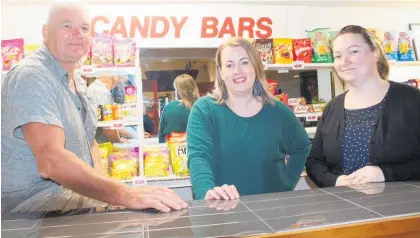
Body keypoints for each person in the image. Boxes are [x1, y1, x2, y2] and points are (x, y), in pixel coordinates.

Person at [1, 2, 187, 214]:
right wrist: (125, 194)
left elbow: (90, 145)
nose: (77, 34)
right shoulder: (32, 75)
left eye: (84, 28)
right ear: (45, 32)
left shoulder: (77, 82)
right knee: (137, 215)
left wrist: (110, 194)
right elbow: (51, 161)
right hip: (31, 212)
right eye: (67, 25)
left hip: (66, 199)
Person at [186, 37, 311, 200]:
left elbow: (302, 146)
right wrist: (207, 194)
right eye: (229, 65)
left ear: (256, 67)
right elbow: (199, 157)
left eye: (244, 62)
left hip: (271, 212)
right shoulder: (204, 110)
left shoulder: (278, 111)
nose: (237, 70)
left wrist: (286, 184)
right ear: (221, 73)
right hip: (221, 211)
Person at [305, 25, 420, 188]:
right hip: (345, 209)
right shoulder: (332, 108)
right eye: (337, 56)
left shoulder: (412, 100)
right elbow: (314, 162)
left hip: (404, 210)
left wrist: (385, 173)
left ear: (375, 53)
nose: (344, 61)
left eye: (354, 51)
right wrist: (335, 180)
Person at [86, 76, 137, 143]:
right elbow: (108, 130)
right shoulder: (100, 92)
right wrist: (121, 141)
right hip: (100, 145)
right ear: (112, 75)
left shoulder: (98, 89)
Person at [159, 74, 200, 143]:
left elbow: (161, 136)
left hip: (173, 150)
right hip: (195, 150)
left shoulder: (169, 107)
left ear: (178, 91)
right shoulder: (200, 107)